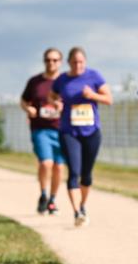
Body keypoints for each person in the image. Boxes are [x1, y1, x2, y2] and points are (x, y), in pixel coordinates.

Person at [50, 47, 112, 226]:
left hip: (91, 131)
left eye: (81, 62)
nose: (78, 65)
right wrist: (56, 103)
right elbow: (52, 95)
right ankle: (77, 212)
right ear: (69, 62)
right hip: (69, 131)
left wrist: (92, 95)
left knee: (87, 175)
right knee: (74, 172)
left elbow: (109, 99)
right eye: (74, 62)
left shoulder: (94, 76)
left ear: (85, 62)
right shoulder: (62, 79)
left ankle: (83, 205)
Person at [21, 48, 65, 215]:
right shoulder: (35, 82)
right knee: (46, 163)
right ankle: (43, 194)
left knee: (59, 167)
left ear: (60, 62)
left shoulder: (65, 81)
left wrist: (62, 107)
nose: (51, 63)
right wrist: (29, 109)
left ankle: (52, 200)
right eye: (48, 59)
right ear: (44, 61)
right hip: (40, 129)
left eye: (55, 60)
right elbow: (23, 101)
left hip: (62, 130)